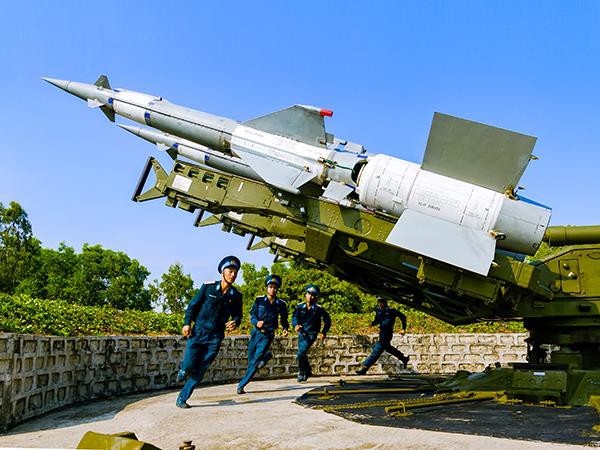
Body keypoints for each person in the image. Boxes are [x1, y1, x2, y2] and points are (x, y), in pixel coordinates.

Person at [175, 255, 243, 408]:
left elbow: (238, 315)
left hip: (215, 337)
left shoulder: (236, 296)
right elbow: (193, 306)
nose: (233, 275)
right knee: (188, 366)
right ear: (222, 272)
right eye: (230, 271)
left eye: (235, 272)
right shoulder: (208, 287)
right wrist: (187, 323)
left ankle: (182, 398)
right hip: (198, 333)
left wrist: (235, 322)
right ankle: (184, 370)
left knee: (200, 370)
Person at [237, 274, 289, 394]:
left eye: (275, 287)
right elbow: (252, 315)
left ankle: (241, 385)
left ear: (277, 289)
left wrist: (285, 328)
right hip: (255, 333)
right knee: (251, 360)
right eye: (270, 286)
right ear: (267, 288)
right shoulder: (259, 300)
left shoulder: (281, 304)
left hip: (267, 335)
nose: (272, 289)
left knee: (255, 362)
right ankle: (266, 356)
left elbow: (284, 318)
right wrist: (256, 322)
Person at [355, 297, 409, 375]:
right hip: (382, 332)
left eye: (382, 302)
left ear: (385, 302)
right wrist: (373, 323)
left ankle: (365, 365)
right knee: (388, 348)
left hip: (388, 333)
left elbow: (403, 317)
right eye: (379, 302)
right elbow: (377, 320)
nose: (381, 303)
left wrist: (403, 328)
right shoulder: (379, 311)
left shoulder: (391, 311)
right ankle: (404, 358)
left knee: (377, 349)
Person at [292, 284, 331, 382]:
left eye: (313, 295)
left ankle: (302, 372)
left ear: (316, 297)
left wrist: (324, 332)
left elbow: (327, 320)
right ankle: (308, 370)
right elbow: (294, 317)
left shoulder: (319, 309)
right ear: (305, 295)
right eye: (308, 294)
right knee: (302, 353)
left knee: (300, 353)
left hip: (311, 334)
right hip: (301, 333)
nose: (310, 297)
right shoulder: (299, 307)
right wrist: (296, 325)